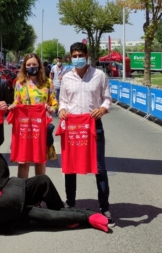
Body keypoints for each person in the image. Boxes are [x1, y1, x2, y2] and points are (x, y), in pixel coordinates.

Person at [58, 42, 115, 227]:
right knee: (70, 166)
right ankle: (71, 203)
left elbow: (107, 99)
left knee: (99, 167)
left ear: (87, 55)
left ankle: (105, 206)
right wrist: (62, 111)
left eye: (80, 55)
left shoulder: (99, 75)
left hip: (93, 126)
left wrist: (102, 109)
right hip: (73, 127)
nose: (77, 58)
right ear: (70, 57)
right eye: (74, 55)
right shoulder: (66, 78)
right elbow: (63, 101)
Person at [11, 53, 57, 178]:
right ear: (24, 67)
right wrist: (13, 106)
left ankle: (39, 194)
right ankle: (23, 193)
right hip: (24, 128)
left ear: (39, 66)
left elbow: (54, 102)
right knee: (23, 162)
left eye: (34, 64)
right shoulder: (20, 83)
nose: (31, 67)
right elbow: (17, 101)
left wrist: (51, 108)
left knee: (40, 161)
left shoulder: (48, 83)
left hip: (41, 127)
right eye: (28, 65)